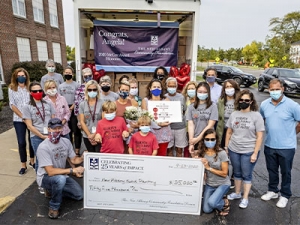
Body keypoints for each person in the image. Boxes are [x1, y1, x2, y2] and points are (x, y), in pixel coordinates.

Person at [260, 79, 300, 208]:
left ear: (282, 89)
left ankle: (285, 194)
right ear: (268, 90)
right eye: (272, 89)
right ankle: (273, 191)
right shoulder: (264, 104)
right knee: (271, 170)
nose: (274, 92)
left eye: (277, 89)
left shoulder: (292, 105)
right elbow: (262, 120)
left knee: (286, 172)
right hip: (270, 144)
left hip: (287, 146)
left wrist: (292, 133)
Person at [36, 118, 84, 219]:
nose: (57, 131)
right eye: (54, 129)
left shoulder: (66, 141)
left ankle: (52, 190)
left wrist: (83, 157)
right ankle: (54, 206)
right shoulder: (43, 147)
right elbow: (50, 171)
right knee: (60, 179)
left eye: (59, 128)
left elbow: (74, 160)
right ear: (49, 129)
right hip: (45, 177)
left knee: (79, 195)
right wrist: (72, 170)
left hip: (61, 174)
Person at [226, 89, 264, 209]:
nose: (243, 102)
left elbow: (260, 136)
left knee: (246, 175)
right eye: (241, 100)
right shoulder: (234, 114)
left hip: (248, 151)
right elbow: (229, 132)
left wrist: (255, 153)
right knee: (237, 173)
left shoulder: (256, 116)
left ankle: (245, 198)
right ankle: (237, 193)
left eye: (246, 100)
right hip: (234, 149)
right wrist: (227, 147)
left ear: (251, 102)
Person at [23, 82, 55, 194]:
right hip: (37, 137)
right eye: (35, 91)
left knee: (50, 158)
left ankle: (49, 179)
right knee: (41, 160)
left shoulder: (48, 103)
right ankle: (41, 183)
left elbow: (53, 119)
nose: (38, 93)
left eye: (39, 91)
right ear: (31, 93)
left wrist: (51, 134)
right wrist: (42, 136)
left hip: (49, 135)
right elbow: (29, 125)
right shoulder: (27, 106)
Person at [196, 129, 231, 216]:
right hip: (210, 184)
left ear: (216, 140)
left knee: (212, 203)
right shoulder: (202, 153)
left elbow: (224, 173)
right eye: (207, 139)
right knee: (207, 210)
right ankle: (218, 199)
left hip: (223, 184)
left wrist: (209, 168)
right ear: (203, 140)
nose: (210, 141)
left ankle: (224, 203)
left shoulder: (222, 153)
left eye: (212, 139)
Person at [8, 68, 35, 175]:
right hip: (19, 120)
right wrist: (23, 116)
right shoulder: (12, 88)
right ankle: (23, 164)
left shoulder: (30, 88)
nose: (21, 77)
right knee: (21, 142)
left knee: (32, 140)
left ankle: (32, 161)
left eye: (23, 75)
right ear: (15, 76)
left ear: (26, 77)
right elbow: (12, 105)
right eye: (19, 75)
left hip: (32, 119)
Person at [186, 82, 218, 157]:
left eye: (205, 92)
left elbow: (210, 125)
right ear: (196, 92)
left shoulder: (213, 106)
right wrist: (191, 142)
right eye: (200, 92)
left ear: (208, 93)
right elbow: (191, 124)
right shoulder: (191, 106)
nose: (202, 93)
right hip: (194, 139)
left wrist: (198, 138)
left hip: (208, 139)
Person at [141, 79, 171, 156]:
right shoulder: (145, 101)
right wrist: (158, 123)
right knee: (150, 155)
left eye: (158, 87)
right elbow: (145, 118)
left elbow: (171, 115)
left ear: (161, 89)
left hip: (164, 133)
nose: (156, 89)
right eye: (154, 87)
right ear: (150, 88)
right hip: (150, 132)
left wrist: (169, 121)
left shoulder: (166, 100)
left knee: (161, 155)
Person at [58, 67, 81, 154]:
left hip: (74, 108)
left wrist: (72, 107)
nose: (68, 74)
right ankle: (69, 149)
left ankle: (77, 150)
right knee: (67, 130)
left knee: (76, 131)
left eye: (69, 72)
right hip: (64, 108)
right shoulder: (60, 86)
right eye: (66, 72)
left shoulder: (77, 85)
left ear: (73, 74)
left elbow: (79, 97)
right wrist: (66, 108)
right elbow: (59, 98)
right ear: (64, 74)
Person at [164, 77, 188, 157]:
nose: (172, 88)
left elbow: (184, 110)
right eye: (170, 86)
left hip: (180, 127)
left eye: (173, 86)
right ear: (166, 86)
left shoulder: (181, 97)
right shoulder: (164, 97)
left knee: (179, 149)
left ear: (176, 86)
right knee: (169, 149)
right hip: (168, 127)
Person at [79, 80, 104, 152]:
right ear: (86, 91)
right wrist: (89, 135)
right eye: (89, 90)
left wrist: (95, 134)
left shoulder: (102, 103)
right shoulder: (82, 104)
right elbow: (82, 121)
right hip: (87, 135)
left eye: (94, 89)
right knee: (91, 157)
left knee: (99, 155)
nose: (92, 91)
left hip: (99, 134)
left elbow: (103, 121)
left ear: (97, 90)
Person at [216, 79, 240, 149]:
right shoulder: (221, 101)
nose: (229, 88)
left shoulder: (239, 101)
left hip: (235, 131)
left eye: (231, 86)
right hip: (222, 130)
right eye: (227, 87)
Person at [181, 81, 198, 158]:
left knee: (196, 148)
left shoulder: (199, 101)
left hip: (197, 127)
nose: (191, 90)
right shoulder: (186, 100)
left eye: (193, 88)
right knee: (187, 147)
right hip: (187, 127)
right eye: (189, 89)